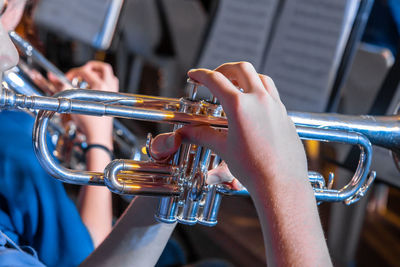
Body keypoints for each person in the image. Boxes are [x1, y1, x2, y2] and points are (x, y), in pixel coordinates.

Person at [0, 1, 332, 266]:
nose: (11, 54)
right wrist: (287, 186)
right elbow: (77, 255)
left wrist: (176, 177)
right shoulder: (15, 133)